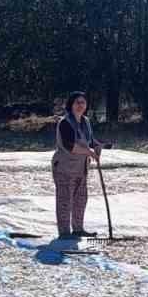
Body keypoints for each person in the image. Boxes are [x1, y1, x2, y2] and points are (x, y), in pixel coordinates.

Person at [52, 91, 103, 240]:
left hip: (81, 169)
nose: (80, 105)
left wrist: (97, 145)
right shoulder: (65, 123)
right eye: (77, 102)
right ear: (71, 105)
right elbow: (70, 146)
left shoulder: (85, 121)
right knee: (64, 200)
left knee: (80, 199)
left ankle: (78, 229)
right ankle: (64, 232)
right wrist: (90, 152)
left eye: (83, 102)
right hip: (64, 167)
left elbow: (89, 140)